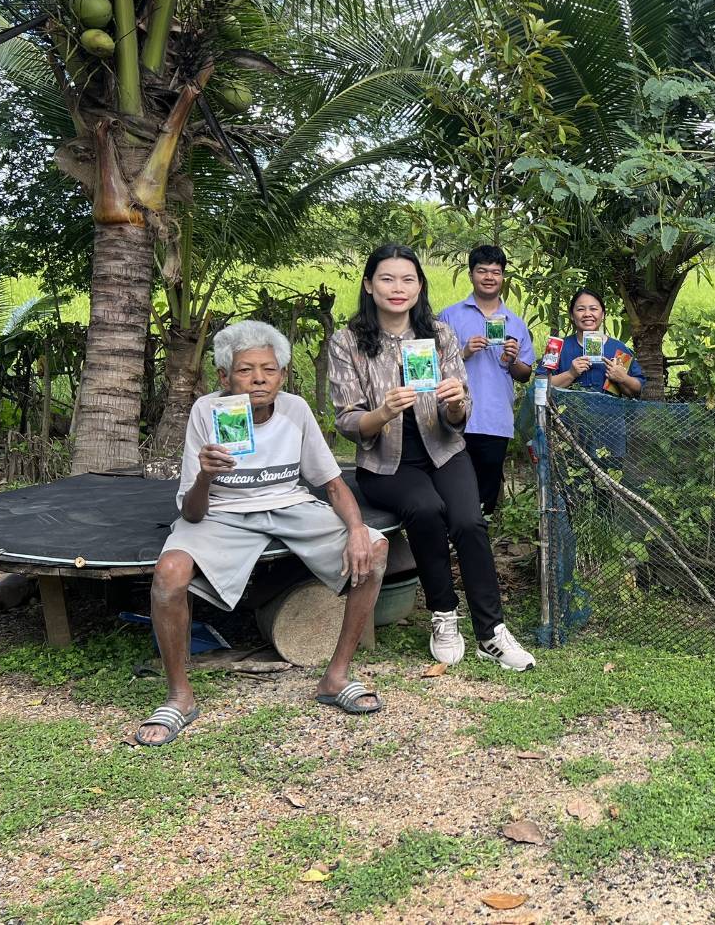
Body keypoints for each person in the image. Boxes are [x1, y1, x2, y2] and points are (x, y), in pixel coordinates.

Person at [137, 321, 389, 746]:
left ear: (282, 375)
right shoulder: (206, 412)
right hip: (223, 512)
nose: (258, 379)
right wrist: (204, 475)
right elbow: (192, 514)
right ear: (224, 377)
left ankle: (336, 675)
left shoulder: (295, 409)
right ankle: (179, 697)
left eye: (269, 370)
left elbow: (330, 483)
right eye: (245, 370)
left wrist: (358, 529)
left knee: (376, 549)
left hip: (288, 505)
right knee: (169, 574)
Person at [328, 244, 535, 671]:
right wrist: (382, 412)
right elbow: (347, 422)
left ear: (420, 286)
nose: (397, 288)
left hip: (444, 450)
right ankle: (443, 615)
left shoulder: (439, 335)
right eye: (387, 278)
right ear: (369, 286)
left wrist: (457, 404)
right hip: (386, 464)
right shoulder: (348, 342)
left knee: (469, 521)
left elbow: (459, 411)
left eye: (408, 279)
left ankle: (491, 632)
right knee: (425, 510)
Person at [439, 245, 535, 514]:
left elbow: (524, 375)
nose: (489, 277)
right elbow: (431, 366)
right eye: (482, 271)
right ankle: (451, 546)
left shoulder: (515, 324)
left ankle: (479, 547)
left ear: (503, 277)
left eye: (496, 271)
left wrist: (514, 359)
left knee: (486, 492)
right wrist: (464, 352)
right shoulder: (448, 316)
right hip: (452, 415)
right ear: (471, 275)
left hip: (494, 419)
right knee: (450, 489)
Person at [550, 288, 645, 397]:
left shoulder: (618, 348)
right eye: (580, 309)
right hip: (566, 414)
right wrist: (570, 374)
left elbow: (637, 389)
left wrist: (623, 378)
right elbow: (540, 385)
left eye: (593, 309)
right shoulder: (556, 347)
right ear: (571, 315)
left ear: (603, 314)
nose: (587, 314)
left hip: (610, 414)